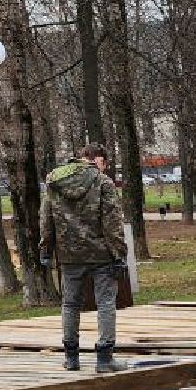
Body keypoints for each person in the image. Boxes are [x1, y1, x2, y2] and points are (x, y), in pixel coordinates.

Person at [40, 144, 129, 373]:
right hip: (101, 254)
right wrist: (119, 253)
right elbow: (112, 223)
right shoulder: (103, 182)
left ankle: (71, 358)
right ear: (95, 159)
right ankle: (105, 358)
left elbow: (46, 218)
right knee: (106, 304)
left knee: (70, 305)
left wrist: (46, 249)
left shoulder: (54, 182)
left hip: (69, 255)